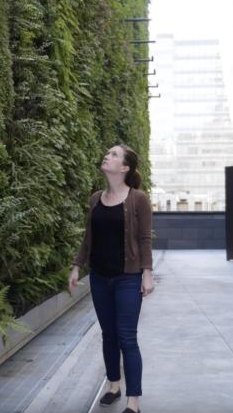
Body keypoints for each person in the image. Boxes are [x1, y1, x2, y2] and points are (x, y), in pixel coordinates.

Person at [68, 144, 154, 413]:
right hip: (99, 277)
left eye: (114, 154)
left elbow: (144, 238)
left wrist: (147, 273)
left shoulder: (138, 199)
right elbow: (89, 237)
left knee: (127, 337)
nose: (107, 156)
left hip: (128, 278)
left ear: (125, 167)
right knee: (108, 335)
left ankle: (133, 401)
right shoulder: (96, 198)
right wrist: (76, 266)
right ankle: (114, 386)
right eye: (108, 153)